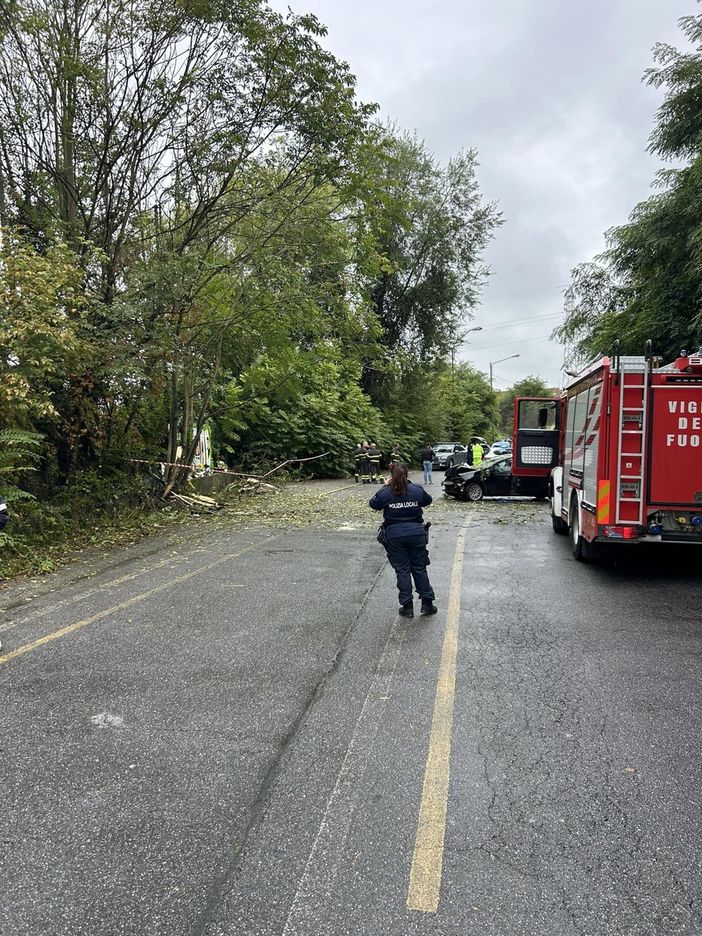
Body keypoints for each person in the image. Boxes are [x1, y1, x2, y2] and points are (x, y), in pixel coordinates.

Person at [369, 463, 437, 618]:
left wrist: (386, 486)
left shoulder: (386, 492)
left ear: (391, 476)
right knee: (419, 568)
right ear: (407, 475)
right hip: (416, 534)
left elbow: (373, 504)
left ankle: (407, 607)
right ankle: (427, 604)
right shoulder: (416, 490)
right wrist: (410, 486)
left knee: (402, 570)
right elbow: (428, 500)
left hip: (395, 535)